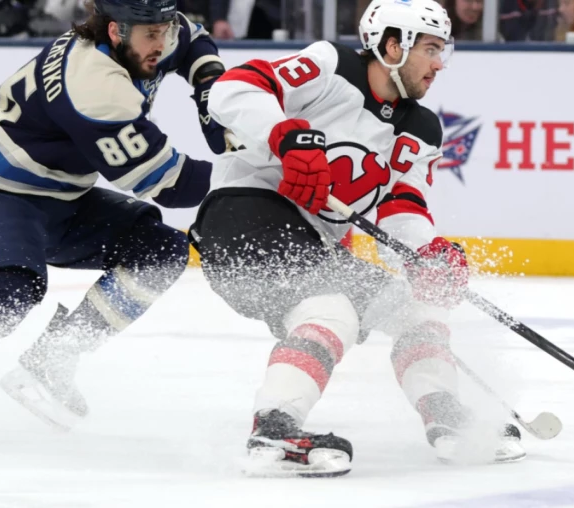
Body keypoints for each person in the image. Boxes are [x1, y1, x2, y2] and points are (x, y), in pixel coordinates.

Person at [0, 0, 227, 446]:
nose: (162, 43)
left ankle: (52, 360)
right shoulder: (94, 85)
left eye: (164, 29)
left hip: (63, 196)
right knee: (10, 288)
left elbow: (193, 38)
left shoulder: (144, 34)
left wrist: (209, 83)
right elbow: (169, 184)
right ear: (115, 31)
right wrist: (254, 177)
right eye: (151, 34)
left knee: (160, 250)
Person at [191, 0, 524, 477]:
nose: (439, 63)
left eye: (442, 51)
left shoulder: (421, 128)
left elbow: (400, 207)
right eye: (429, 49)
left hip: (313, 244)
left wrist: (425, 253)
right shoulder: (330, 66)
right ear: (393, 46)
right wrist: (283, 135)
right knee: (330, 308)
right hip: (242, 216)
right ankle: (274, 429)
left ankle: (447, 417)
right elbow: (232, 88)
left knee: (415, 309)